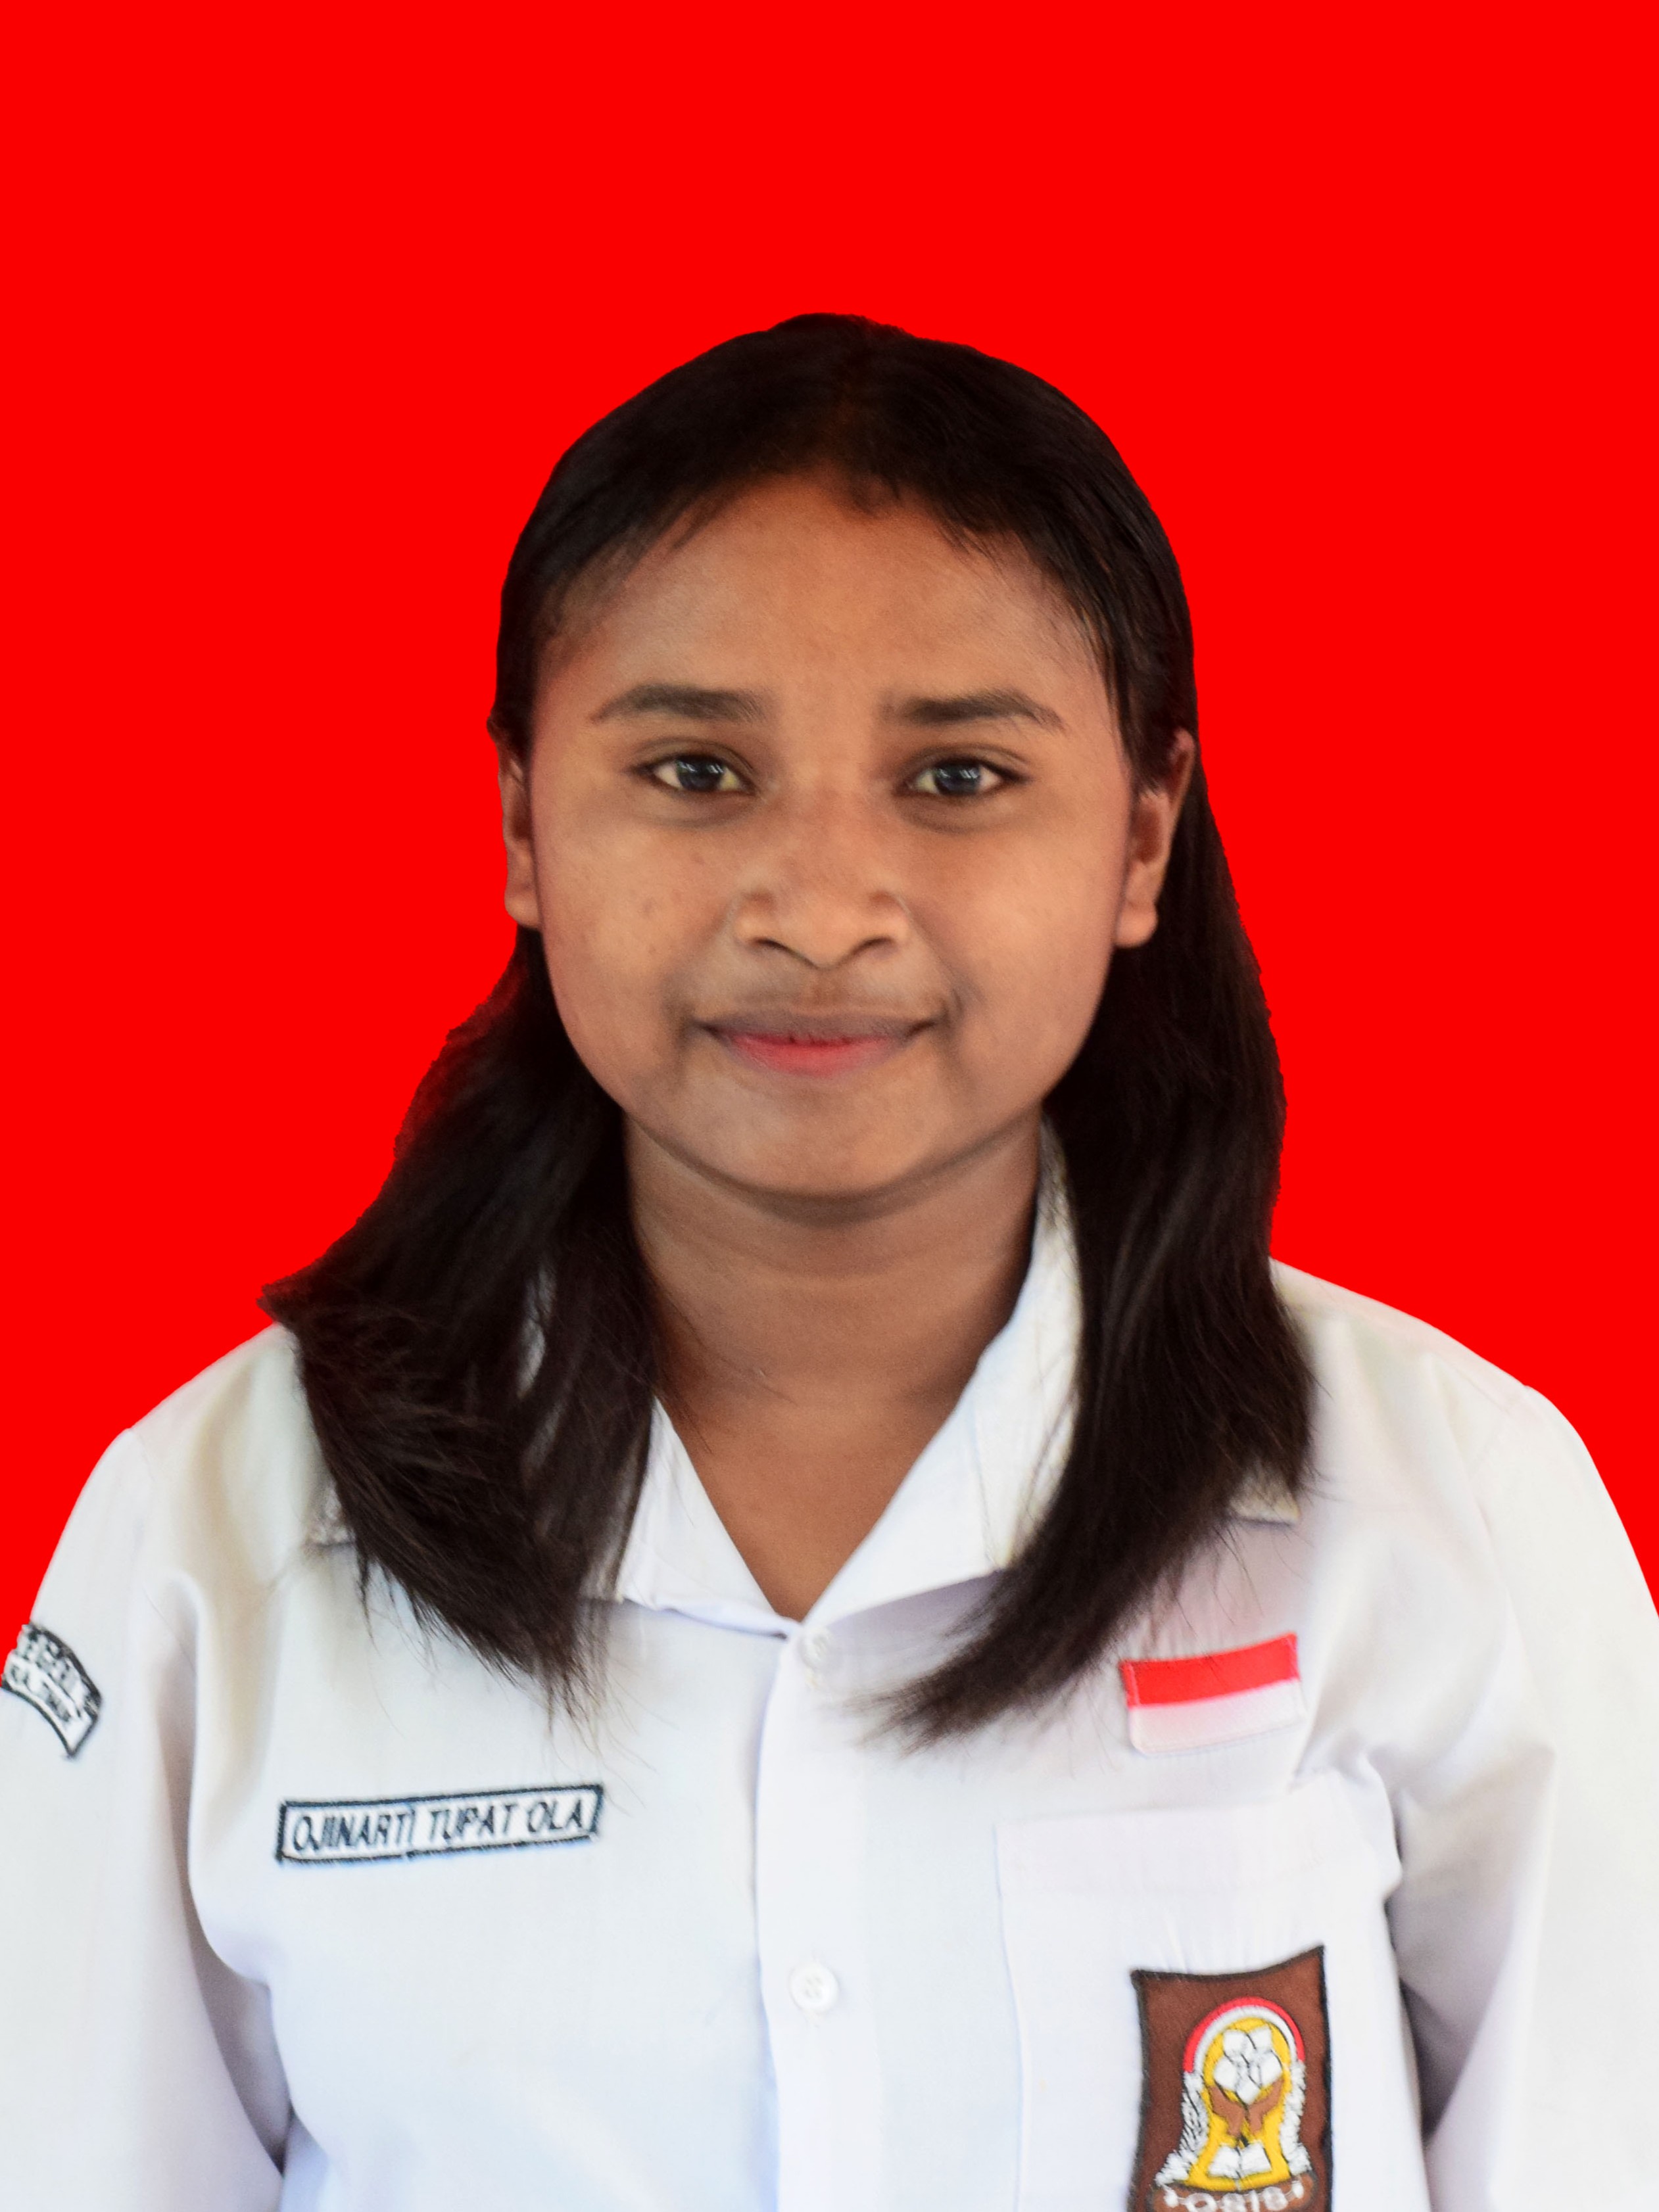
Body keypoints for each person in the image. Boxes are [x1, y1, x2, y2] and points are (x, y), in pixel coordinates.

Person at [1, 314, 1654, 2212]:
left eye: (956, 778)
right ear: (525, 821)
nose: (817, 911)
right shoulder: (214, 1537)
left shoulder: (1445, 1508)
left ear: (1140, 840)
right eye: (697, 769)